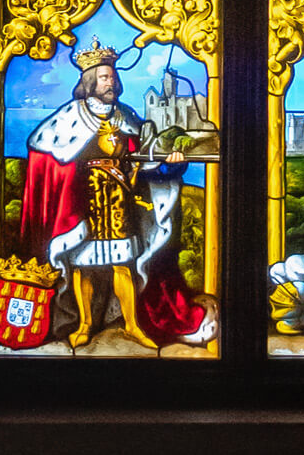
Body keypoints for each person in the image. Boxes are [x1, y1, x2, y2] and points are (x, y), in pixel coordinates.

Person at [19, 42, 211, 350]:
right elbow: (46, 155)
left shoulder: (127, 118)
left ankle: (133, 324)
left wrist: (170, 165)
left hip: (121, 206)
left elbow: (144, 162)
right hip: (84, 208)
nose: (111, 83)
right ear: (90, 81)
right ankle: (84, 325)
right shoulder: (69, 119)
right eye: (105, 77)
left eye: (112, 77)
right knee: (83, 268)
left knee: (124, 266)